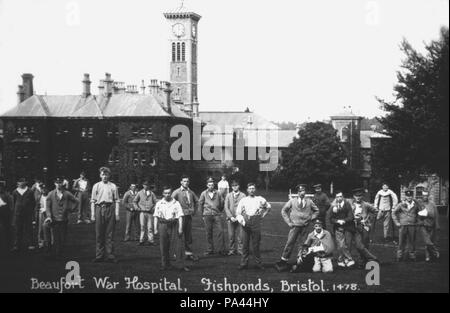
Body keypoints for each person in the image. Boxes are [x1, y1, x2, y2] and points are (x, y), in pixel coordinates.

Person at [275, 184, 319, 272]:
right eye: (300, 191)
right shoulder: (292, 201)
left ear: (305, 192)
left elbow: (316, 210)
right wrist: (288, 222)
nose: (302, 193)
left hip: (305, 226)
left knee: (303, 244)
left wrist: (312, 218)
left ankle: (300, 260)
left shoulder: (309, 201)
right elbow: (284, 210)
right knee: (290, 243)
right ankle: (284, 260)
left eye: (303, 191)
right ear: (297, 192)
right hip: (294, 226)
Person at [154, 186, 190, 272]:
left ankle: (180, 265)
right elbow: (156, 216)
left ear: (171, 193)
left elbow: (180, 216)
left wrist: (180, 228)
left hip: (174, 225)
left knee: (178, 246)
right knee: (163, 246)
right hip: (163, 225)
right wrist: (155, 228)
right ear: (163, 194)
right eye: (165, 193)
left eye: (169, 193)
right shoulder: (159, 203)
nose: (167, 195)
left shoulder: (176, 203)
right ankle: (165, 265)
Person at [235, 183, 271, 270]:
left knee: (256, 245)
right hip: (246, 222)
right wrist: (242, 221)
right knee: (245, 245)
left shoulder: (260, 199)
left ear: (255, 190)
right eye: (250, 188)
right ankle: (244, 263)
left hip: (256, 223)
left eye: (253, 188)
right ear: (247, 190)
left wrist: (263, 215)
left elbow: (268, 207)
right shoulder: (243, 200)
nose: (251, 190)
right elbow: (238, 213)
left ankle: (258, 264)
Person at [91, 167, 120, 263]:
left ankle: (110, 255)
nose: (105, 176)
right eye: (103, 174)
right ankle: (99, 255)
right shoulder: (96, 186)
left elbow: (117, 200)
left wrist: (116, 214)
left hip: (110, 208)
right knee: (99, 233)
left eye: (106, 174)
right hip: (99, 208)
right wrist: (92, 214)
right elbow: (93, 201)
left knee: (109, 233)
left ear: (109, 175)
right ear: (100, 175)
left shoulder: (113, 186)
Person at [45, 178, 79, 259]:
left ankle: (61, 253)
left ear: (62, 184)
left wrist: (72, 209)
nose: (58, 184)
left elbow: (76, 201)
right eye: (57, 183)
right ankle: (56, 254)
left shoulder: (67, 193)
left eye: (60, 183)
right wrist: (49, 216)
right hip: (54, 219)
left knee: (63, 237)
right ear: (55, 184)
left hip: (64, 219)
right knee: (56, 237)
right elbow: (48, 207)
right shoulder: (51, 194)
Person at [172, 175, 199, 261]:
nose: (186, 183)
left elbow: (197, 201)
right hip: (180, 217)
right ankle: (177, 254)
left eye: (187, 181)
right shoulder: (176, 192)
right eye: (184, 181)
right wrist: (175, 214)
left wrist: (194, 211)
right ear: (181, 182)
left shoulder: (190, 192)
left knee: (188, 236)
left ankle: (189, 254)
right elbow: (171, 202)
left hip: (188, 217)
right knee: (179, 235)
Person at [349, 188, 378, 266]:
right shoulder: (350, 204)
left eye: (360, 196)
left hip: (364, 226)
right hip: (354, 226)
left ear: (362, 196)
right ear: (353, 196)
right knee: (359, 245)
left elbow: (375, 211)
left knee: (365, 243)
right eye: (356, 196)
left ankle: (362, 261)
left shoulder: (366, 204)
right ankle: (372, 258)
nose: (358, 197)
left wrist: (368, 219)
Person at [326, 191, 356, 268]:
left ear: (343, 197)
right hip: (338, 227)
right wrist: (337, 221)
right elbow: (330, 218)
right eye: (337, 197)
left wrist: (344, 221)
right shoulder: (333, 206)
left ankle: (343, 259)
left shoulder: (347, 204)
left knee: (348, 244)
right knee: (341, 245)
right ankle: (349, 259)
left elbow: (351, 217)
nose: (339, 198)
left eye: (340, 196)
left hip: (348, 227)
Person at [199, 177, 225, 256]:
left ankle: (221, 250)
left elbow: (222, 203)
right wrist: (202, 214)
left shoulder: (218, 193)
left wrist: (219, 211)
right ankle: (210, 249)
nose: (211, 186)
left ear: (214, 185)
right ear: (207, 185)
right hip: (207, 215)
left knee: (220, 231)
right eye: (209, 185)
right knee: (208, 232)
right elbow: (200, 204)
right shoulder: (204, 193)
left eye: (212, 185)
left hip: (216, 214)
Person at [392, 190, 421, 262]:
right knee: (401, 241)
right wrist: (397, 222)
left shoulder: (416, 204)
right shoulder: (401, 204)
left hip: (412, 225)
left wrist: (418, 221)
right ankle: (399, 256)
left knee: (412, 241)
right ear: (405, 196)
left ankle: (412, 256)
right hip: (403, 225)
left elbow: (420, 213)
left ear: (412, 196)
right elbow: (393, 213)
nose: (409, 197)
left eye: (410, 196)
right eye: (408, 196)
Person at [12, 178, 36, 252]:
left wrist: (30, 210)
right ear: (17, 183)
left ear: (26, 182)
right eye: (19, 182)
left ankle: (31, 244)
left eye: (23, 181)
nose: (21, 183)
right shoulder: (15, 192)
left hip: (28, 213)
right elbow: (14, 201)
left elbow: (33, 202)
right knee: (18, 229)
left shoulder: (30, 191)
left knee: (29, 229)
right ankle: (17, 245)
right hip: (18, 213)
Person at [224, 180, 246, 256]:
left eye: (236, 185)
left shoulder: (243, 195)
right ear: (231, 187)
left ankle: (240, 250)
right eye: (233, 186)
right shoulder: (228, 195)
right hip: (230, 218)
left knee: (241, 236)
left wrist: (238, 217)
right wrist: (230, 217)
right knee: (231, 235)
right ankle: (231, 250)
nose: (234, 187)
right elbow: (226, 207)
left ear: (239, 186)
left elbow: (244, 207)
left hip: (239, 218)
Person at [418, 191, 440, 262]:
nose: (425, 197)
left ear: (428, 196)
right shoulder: (419, 204)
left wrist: (437, 224)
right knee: (427, 241)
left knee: (429, 240)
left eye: (426, 195)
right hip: (423, 225)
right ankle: (435, 252)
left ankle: (428, 256)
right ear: (422, 196)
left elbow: (436, 215)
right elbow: (416, 213)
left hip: (431, 225)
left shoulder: (432, 204)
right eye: (423, 195)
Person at [133, 181, 158, 246]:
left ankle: (151, 240)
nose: (146, 186)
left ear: (149, 186)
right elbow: (134, 201)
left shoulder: (152, 193)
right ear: (143, 185)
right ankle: (141, 240)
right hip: (142, 212)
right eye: (145, 185)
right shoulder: (139, 193)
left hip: (150, 212)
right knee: (142, 226)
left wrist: (153, 208)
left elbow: (156, 202)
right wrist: (137, 208)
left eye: (147, 185)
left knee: (150, 227)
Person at [37, 184, 52, 251]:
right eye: (42, 189)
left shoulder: (50, 196)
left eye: (45, 189)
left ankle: (50, 242)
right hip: (42, 214)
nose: (43, 190)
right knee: (41, 229)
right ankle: (41, 243)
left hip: (49, 213)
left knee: (50, 228)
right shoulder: (39, 197)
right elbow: (37, 206)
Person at [0, 182, 12, 255]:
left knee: (7, 230)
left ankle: (8, 246)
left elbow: (10, 206)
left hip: (5, 215)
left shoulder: (7, 195)